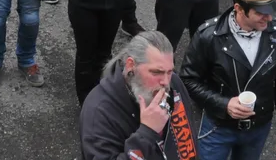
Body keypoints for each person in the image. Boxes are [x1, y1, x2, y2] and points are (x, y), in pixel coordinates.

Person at [181, 0, 276, 159]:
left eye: (270, 10)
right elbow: (187, 80)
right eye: (260, 13)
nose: (268, 18)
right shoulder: (209, 36)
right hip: (218, 128)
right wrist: (224, 104)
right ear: (239, 9)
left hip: (258, 128)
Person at [78, 31, 198, 160]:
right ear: (131, 65)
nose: (165, 82)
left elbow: (190, 140)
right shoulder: (98, 112)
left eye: (169, 71)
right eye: (156, 72)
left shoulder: (173, 82)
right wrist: (147, 133)